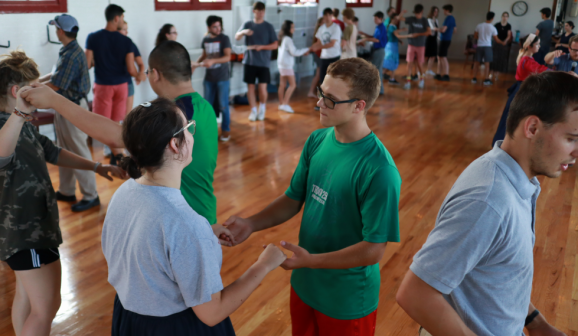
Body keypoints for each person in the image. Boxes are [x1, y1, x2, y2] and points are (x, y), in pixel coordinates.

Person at [222, 58, 401, 336]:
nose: (319, 103)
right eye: (321, 93)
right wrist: (251, 223)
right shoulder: (317, 140)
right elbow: (294, 198)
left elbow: (374, 249)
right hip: (305, 283)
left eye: (330, 100)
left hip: (346, 300)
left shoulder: (379, 170)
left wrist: (312, 261)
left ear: (358, 106)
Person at [396, 70, 575, 336]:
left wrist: (536, 323)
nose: (576, 152)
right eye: (571, 138)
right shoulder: (489, 199)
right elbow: (415, 294)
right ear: (532, 128)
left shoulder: (515, 179)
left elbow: (499, 275)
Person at [101, 97, 287, 336]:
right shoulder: (186, 224)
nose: (192, 134)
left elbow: (147, 246)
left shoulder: (125, 192)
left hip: (129, 319)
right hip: (174, 327)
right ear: (175, 145)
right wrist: (264, 265)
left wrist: (204, 234)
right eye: (188, 127)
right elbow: (212, 312)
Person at [0, 50, 123, 336]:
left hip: (36, 231)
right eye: (35, 88)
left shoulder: (23, 126)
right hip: (26, 235)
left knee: (28, 298)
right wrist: (19, 112)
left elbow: (51, 151)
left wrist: (96, 166)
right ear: (18, 92)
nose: (42, 95)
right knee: (48, 305)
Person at [22, 41, 221, 226]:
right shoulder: (203, 107)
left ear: (155, 74)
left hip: (185, 219)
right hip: (201, 211)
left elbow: (117, 136)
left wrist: (55, 101)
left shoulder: (178, 114)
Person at [38, 14, 101, 212]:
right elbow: (55, 75)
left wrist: (31, 90)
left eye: (56, 28)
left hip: (73, 108)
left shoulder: (73, 54)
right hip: (65, 106)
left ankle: (91, 195)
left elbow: (56, 84)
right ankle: (67, 190)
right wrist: (35, 82)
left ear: (61, 31)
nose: (56, 31)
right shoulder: (67, 50)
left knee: (78, 151)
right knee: (64, 151)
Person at [85, 4, 138, 165]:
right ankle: (119, 157)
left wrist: (98, 60)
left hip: (103, 85)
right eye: (122, 17)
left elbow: (87, 64)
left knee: (101, 123)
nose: (122, 20)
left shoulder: (93, 38)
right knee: (116, 123)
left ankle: (113, 157)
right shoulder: (126, 40)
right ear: (117, 18)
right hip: (121, 86)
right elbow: (131, 68)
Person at [491, 34, 560, 145]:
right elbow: (541, 69)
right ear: (529, 46)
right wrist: (562, 73)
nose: (539, 46)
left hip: (522, 90)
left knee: (514, 118)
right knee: (513, 119)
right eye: (537, 44)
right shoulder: (526, 60)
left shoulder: (526, 57)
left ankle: (508, 143)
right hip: (522, 91)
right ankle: (504, 143)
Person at [235, 1, 278, 122]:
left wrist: (262, 47)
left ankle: (262, 108)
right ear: (254, 11)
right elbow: (236, 36)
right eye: (258, 11)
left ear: (264, 12)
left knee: (262, 89)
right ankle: (253, 110)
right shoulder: (247, 24)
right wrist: (244, 32)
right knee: (250, 88)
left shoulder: (268, 26)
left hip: (264, 63)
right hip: (249, 62)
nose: (260, 14)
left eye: (262, 11)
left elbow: (275, 45)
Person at [193, 15, 232, 142]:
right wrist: (196, 64)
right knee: (207, 106)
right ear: (209, 27)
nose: (218, 28)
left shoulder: (224, 38)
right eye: (215, 26)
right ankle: (209, 130)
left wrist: (213, 60)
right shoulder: (205, 39)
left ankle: (226, 130)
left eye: (219, 26)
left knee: (223, 105)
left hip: (222, 78)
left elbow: (227, 57)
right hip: (209, 78)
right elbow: (205, 55)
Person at [276, 20, 309, 114]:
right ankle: (285, 104)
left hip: (281, 65)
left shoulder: (281, 38)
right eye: (292, 27)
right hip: (287, 66)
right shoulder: (288, 39)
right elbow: (294, 52)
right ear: (288, 28)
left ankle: (281, 104)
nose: (294, 29)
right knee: (293, 85)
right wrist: (306, 50)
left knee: (282, 85)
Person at [118, 21, 147, 117]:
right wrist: (138, 75)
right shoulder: (111, 43)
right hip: (115, 83)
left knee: (127, 115)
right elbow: (132, 69)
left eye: (127, 29)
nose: (127, 32)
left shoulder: (130, 43)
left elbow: (140, 64)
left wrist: (140, 73)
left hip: (127, 82)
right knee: (116, 116)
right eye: (124, 29)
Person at [312, 8, 342, 87]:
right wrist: (309, 49)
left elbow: (332, 43)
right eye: (326, 15)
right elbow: (318, 42)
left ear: (332, 16)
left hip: (334, 56)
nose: (328, 17)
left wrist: (318, 47)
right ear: (323, 16)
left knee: (333, 79)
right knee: (322, 79)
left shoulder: (336, 27)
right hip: (324, 57)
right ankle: (323, 97)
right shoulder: (321, 28)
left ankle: (333, 98)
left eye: (329, 15)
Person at [403, 4, 431, 90]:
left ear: (422, 12)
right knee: (409, 63)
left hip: (420, 45)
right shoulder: (411, 19)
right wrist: (401, 13)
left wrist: (418, 34)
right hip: (411, 44)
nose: (417, 15)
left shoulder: (424, 20)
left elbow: (429, 32)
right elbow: (399, 19)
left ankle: (422, 79)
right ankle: (408, 81)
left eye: (418, 13)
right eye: (415, 13)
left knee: (419, 63)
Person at [472, 12, 501, 86]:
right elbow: (496, 40)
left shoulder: (479, 25)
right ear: (492, 18)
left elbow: (475, 36)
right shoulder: (492, 28)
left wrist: (480, 40)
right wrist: (503, 42)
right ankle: (486, 79)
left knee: (476, 63)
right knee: (487, 64)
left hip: (479, 46)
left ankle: (474, 78)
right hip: (488, 46)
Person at [384, 14, 409, 85]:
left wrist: (400, 41)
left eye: (397, 19)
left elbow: (395, 36)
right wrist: (406, 33)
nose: (396, 20)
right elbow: (396, 34)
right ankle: (390, 78)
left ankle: (390, 77)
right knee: (391, 62)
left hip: (393, 46)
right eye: (395, 19)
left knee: (391, 63)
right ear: (391, 19)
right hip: (391, 47)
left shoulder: (394, 26)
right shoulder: (391, 27)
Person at [435, 4, 456, 81]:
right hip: (447, 39)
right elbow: (454, 30)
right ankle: (438, 73)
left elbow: (443, 30)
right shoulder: (453, 18)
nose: (443, 11)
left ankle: (446, 75)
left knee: (443, 57)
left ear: (447, 10)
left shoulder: (448, 18)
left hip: (444, 40)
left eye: (444, 10)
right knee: (440, 57)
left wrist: (436, 29)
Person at [490, 12, 512, 82]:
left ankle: (496, 75)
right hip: (496, 43)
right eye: (504, 16)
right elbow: (494, 35)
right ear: (502, 17)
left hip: (503, 44)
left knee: (500, 60)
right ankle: (490, 74)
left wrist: (505, 41)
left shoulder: (508, 25)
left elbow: (509, 35)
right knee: (494, 58)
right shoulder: (497, 25)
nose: (505, 18)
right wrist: (499, 41)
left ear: (508, 18)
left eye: (506, 16)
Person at [308, 17, 324, 99]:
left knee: (319, 74)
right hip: (319, 54)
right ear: (320, 23)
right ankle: (312, 92)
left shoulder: (321, 31)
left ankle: (312, 92)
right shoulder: (320, 32)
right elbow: (318, 44)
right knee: (319, 74)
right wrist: (309, 49)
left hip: (321, 54)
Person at [424, 6, 440, 77]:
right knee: (426, 56)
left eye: (437, 11)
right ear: (432, 12)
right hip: (429, 39)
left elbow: (437, 31)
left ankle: (429, 70)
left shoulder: (436, 20)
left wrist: (439, 38)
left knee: (433, 56)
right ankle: (419, 71)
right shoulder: (429, 20)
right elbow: (432, 28)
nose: (436, 13)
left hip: (434, 39)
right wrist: (440, 29)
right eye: (434, 11)